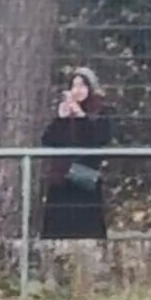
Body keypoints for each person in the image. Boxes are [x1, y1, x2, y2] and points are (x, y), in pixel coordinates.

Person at [39, 67, 111, 240]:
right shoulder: (65, 113)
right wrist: (61, 119)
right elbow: (49, 141)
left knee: (86, 224)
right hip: (62, 178)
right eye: (74, 86)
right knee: (59, 225)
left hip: (85, 176)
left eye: (82, 86)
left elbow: (97, 139)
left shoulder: (100, 112)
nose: (78, 90)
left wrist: (80, 115)